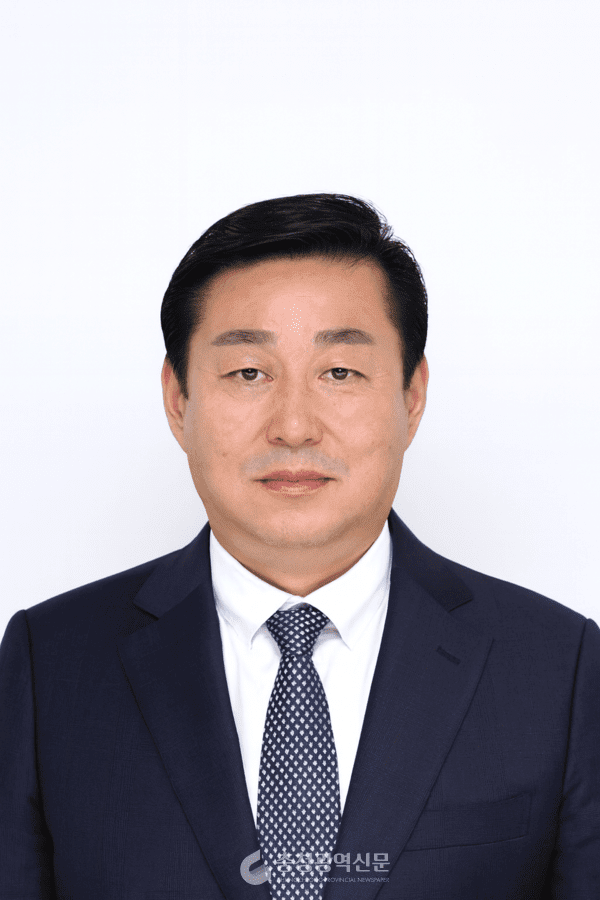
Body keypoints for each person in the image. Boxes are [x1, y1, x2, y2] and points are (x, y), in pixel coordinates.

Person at [1, 194, 598, 900]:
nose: (292, 426)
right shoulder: (51, 664)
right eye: (248, 373)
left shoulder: (559, 668)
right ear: (178, 399)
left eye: (339, 372)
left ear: (411, 396)